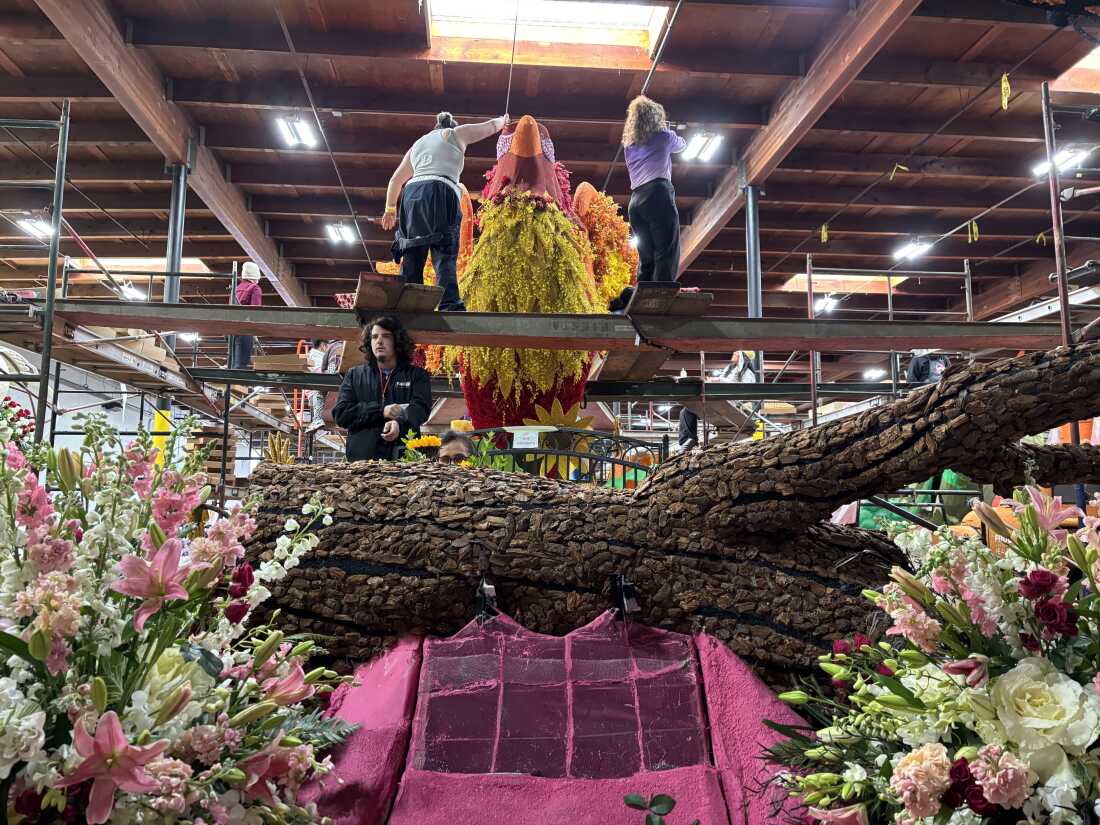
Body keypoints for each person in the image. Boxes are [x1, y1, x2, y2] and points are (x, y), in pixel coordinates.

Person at [380, 111, 510, 311]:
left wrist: (390, 210)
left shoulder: (417, 145)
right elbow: (488, 127)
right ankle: (449, 303)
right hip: (440, 189)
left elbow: (395, 180)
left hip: (411, 194)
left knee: (412, 252)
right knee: (444, 252)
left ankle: (408, 304)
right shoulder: (454, 134)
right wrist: (503, 121)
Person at [333, 315, 432, 462]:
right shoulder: (354, 375)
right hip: (362, 464)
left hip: (404, 462)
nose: (379, 341)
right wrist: (381, 411)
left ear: (397, 341)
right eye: (374, 337)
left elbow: (420, 409)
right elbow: (341, 414)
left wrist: (399, 423)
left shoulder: (417, 375)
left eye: (386, 336)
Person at [622, 96, 686, 285]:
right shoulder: (664, 136)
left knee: (646, 255)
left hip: (636, 201)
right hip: (657, 193)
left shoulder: (629, 146)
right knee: (666, 248)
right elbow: (682, 145)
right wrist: (667, 128)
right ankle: (662, 291)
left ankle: (644, 289)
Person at [678, 350, 757, 449]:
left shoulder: (747, 373)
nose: (733, 354)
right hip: (719, 399)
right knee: (687, 410)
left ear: (743, 357)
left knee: (689, 409)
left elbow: (746, 389)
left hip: (731, 402)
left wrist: (719, 380)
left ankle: (688, 439)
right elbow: (723, 381)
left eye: (736, 353)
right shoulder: (729, 369)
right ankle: (688, 440)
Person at [231, 262, 262, 369]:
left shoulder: (235, 288)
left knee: (233, 363)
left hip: (230, 330)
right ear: (256, 277)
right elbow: (255, 312)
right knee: (241, 365)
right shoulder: (255, 288)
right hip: (245, 330)